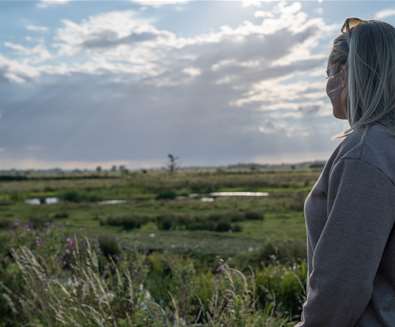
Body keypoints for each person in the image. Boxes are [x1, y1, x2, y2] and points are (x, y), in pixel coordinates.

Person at [295, 17, 395, 326]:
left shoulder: (365, 152)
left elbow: (340, 288)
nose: (326, 85)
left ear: (349, 73)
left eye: (329, 72)